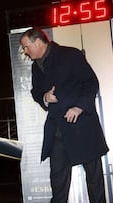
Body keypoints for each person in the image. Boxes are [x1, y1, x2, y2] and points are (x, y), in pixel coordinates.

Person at [20, 27, 109, 203]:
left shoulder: (70, 55)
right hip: (58, 132)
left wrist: (79, 107)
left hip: (82, 126)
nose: (25, 51)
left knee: (95, 180)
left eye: (26, 46)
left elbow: (91, 83)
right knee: (58, 184)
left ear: (38, 42)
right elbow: (36, 92)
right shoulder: (35, 68)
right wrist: (44, 97)